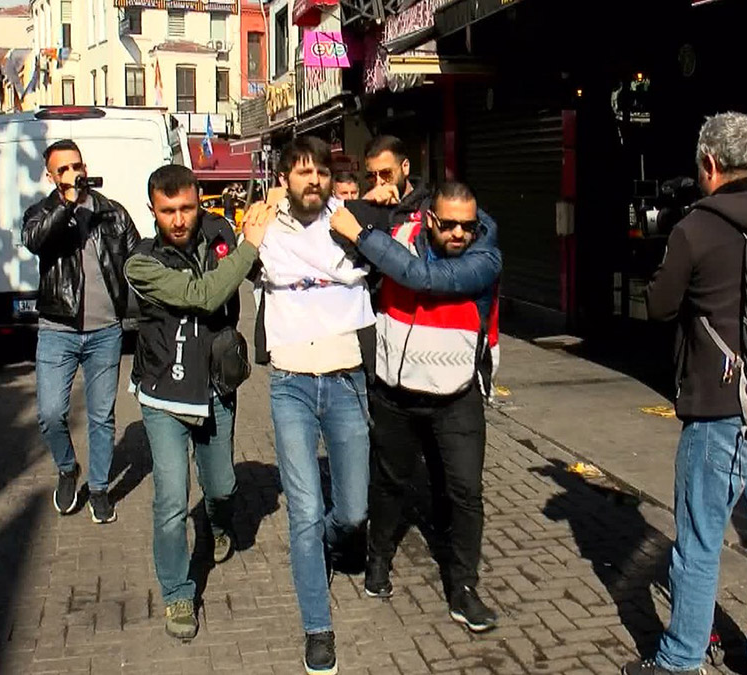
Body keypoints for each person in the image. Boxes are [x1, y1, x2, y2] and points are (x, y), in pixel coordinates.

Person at [626, 112, 747, 675]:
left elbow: (660, 306)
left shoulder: (696, 227)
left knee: (700, 541)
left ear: (709, 164)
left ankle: (682, 659)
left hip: (720, 408)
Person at [329, 181, 502, 632]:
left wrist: (365, 233)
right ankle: (378, 560)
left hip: (456, 397)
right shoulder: (401, 236)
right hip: (396, 393)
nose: (461, 234)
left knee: (465, 494)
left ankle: (463, 588)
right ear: (429, 219)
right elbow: (327, 212)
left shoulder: (485, 259)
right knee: (389, 483)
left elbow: (422, 277)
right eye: (450, 225)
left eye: (470, 225)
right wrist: (367, 202)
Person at [124, 164, 269, 640]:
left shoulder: (221, 233)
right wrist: (251, 245)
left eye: (187, 207)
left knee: (222, 485)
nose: (180, 219)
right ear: (153, 211)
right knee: (170, 498)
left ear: (198, 201)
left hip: (216, 386)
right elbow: (204, 296)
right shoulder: (141, 263)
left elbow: (262, 263)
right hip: (163, 394)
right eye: (168, 211)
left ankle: (217, 517)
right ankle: (177, 593)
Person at [252, 136, 374, 675]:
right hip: (291, 385)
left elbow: (404, 239)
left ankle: (332, 540)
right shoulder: (263, 226)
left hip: (347, 381)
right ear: (284, 179)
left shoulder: (350, 221)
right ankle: (317, 628)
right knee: (303, 512)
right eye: (302, 172)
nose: (314, 180)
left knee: (352, 512)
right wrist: (242, 242)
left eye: (321, 171)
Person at [22, 139, 140, 524]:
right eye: (63, 169)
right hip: (57, 330)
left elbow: (137, 259)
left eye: (77, 166)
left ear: (84, 166)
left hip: (105, 331)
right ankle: (68, 468)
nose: (73, 173)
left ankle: (101, 489)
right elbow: (35, 241)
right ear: (51, 176)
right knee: (51, 413)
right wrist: (66, 204)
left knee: (102, 417)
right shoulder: (42, 213)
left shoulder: (112, 214)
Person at [360, 135, 430, 228]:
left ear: (405, 167)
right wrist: (362, 205)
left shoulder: (428, 207)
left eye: (386, 173)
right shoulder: (368, 203)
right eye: (372, 176)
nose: (379, 182)